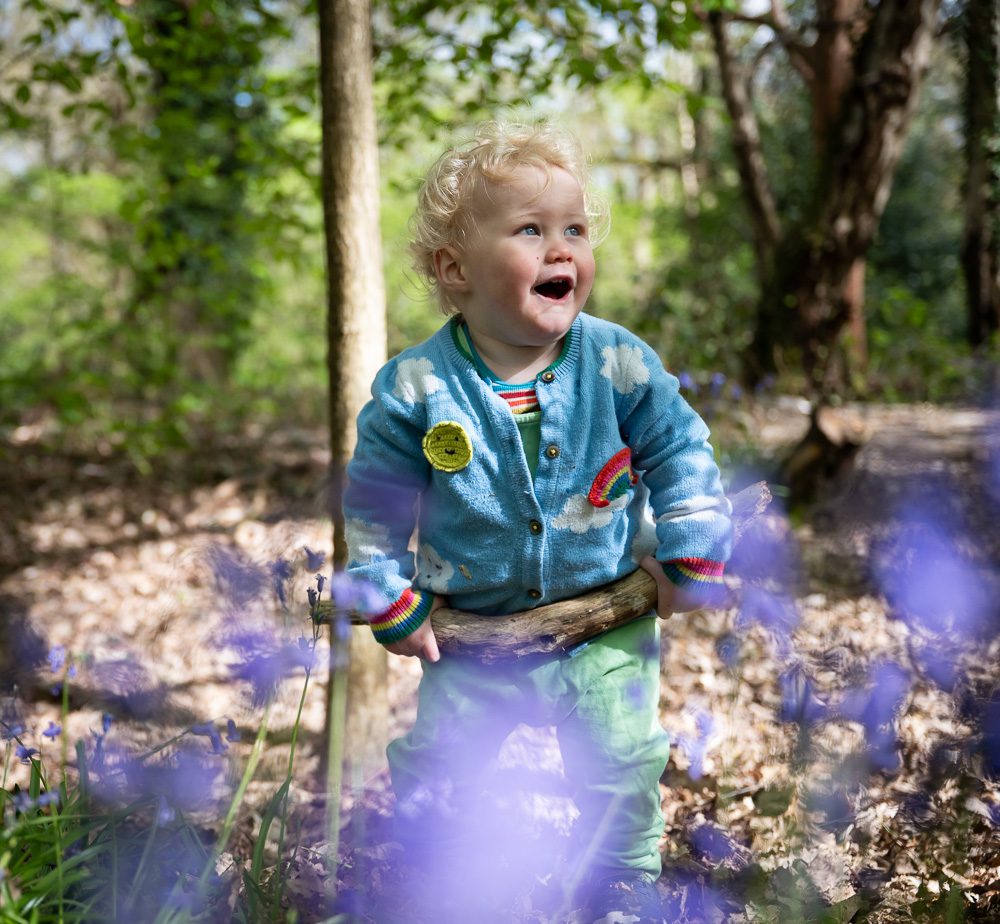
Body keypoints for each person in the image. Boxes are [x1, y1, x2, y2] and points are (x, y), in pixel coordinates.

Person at [343, 120, 732, 922]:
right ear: (455, 270)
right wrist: (385, 590)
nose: (563, 250)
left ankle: (621, 892)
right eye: (531, 230)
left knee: (621, 764)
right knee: (445, 768)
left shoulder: (617, 361)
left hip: (605, 618)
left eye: (575, 230)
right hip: (472, 627)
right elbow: (376, 500)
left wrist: (693, 546)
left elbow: (679, 447)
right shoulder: (415, 386)